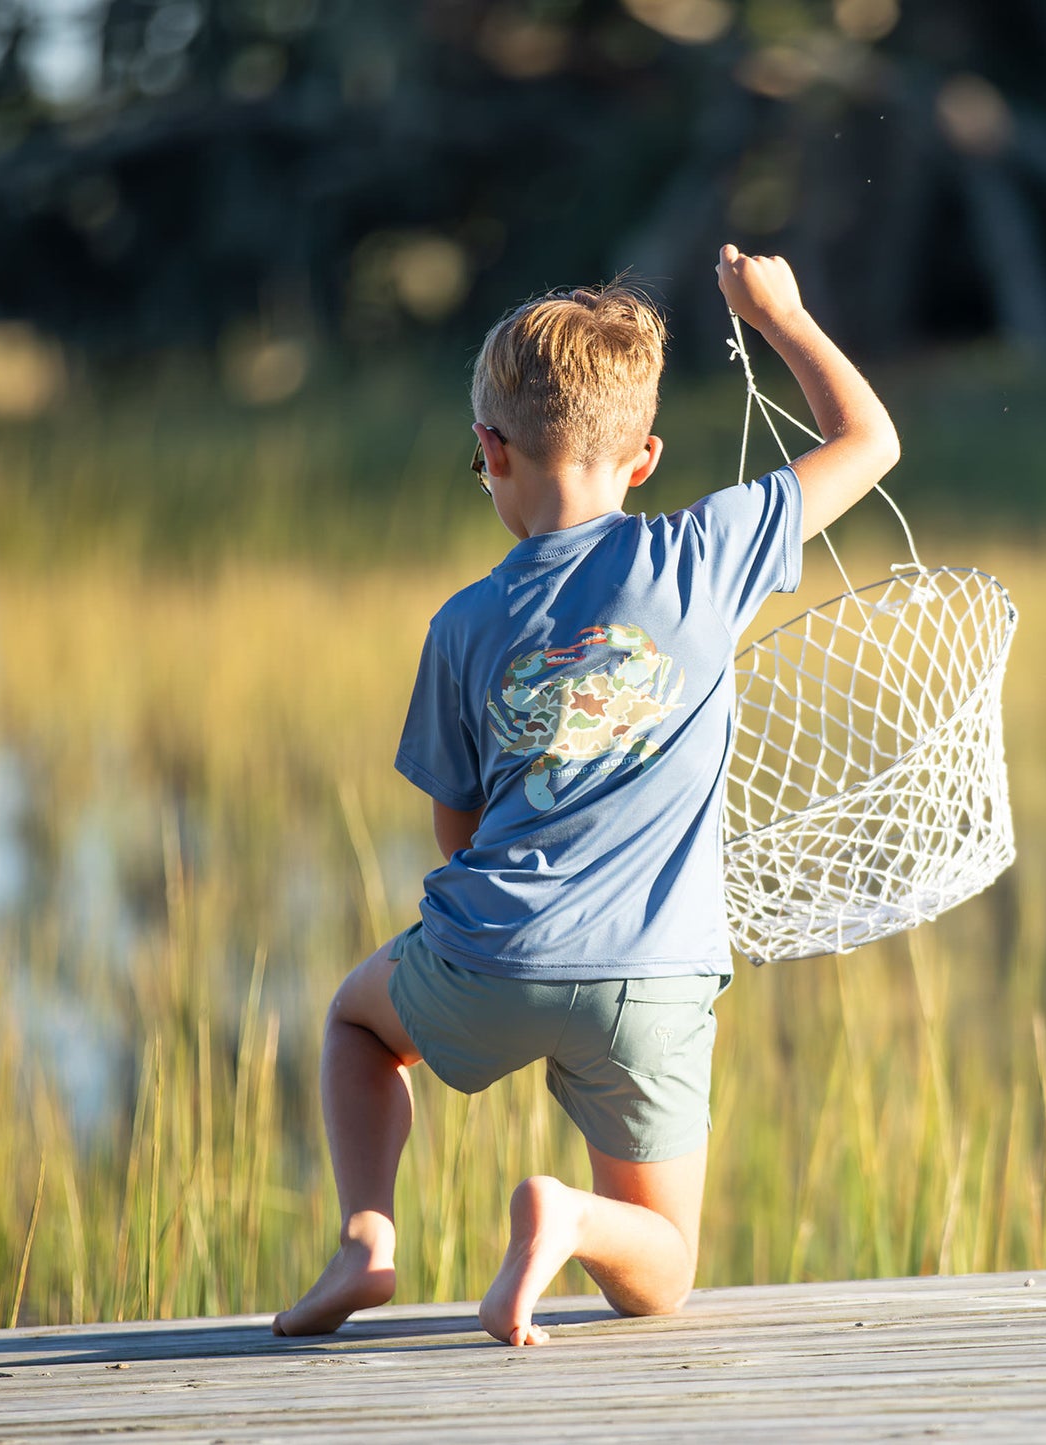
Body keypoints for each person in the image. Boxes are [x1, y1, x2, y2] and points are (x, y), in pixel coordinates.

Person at [273, 244, 900, 1347]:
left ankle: (366, 1240)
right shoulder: (704, 554)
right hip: (654, 975)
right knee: (657, 1273)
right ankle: (565, 1215)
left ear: (487, 450)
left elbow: (455, 829)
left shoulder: (462, 623)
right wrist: (781, 317)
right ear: (645, 457)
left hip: (491, 951)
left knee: (356, 1024)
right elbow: (869, 443)